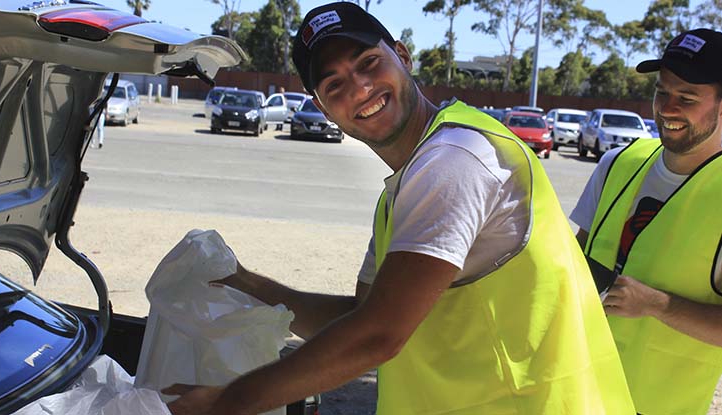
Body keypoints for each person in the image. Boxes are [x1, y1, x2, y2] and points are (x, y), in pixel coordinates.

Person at [164, 3, 635, 414]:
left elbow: (376, 336)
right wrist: (246, 282)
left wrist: (228, 401)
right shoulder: (402, 193)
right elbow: (360, 318)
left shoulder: (454, 158)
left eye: (369, 62)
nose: (360, 88)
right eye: (334, 84)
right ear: (323, 108)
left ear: (403, 57)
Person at [571, 28, 722, 415]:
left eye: (686, 98)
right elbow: (574, 261)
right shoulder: (617, 164)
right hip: (578, 392)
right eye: (661, 91)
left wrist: (658, 304)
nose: (667, 108)